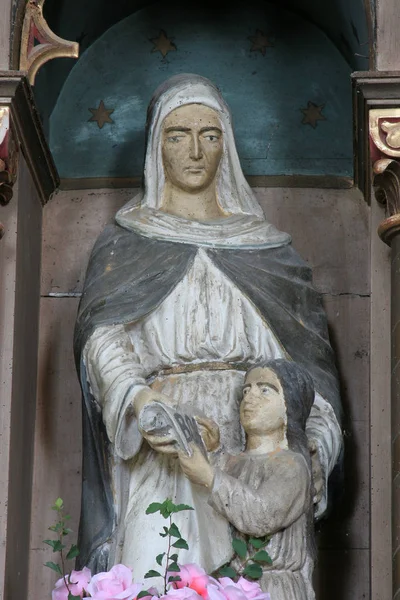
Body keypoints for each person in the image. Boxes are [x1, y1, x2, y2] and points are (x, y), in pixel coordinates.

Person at [74, 74, 342, 578]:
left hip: (255, 446)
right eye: (178, 135)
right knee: (160, 568)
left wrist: (312, 460)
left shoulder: (270, 251)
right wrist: (143, 401)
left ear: (227, 146)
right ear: (157, 147)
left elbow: (309, 379)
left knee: (251, 577)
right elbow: (102, 337)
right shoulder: (125, 243)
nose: (195, 150)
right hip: (164, 444)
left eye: (209, 135)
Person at [179, 359, 316, 600]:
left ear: (288, 408)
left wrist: (210, 476)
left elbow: (261, 516)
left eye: (264, 390)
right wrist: (213, 452)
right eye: (246, 390)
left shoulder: (292, 465)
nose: (250, 397)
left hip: (272, 587)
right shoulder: (234, 461)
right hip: (229, 585)